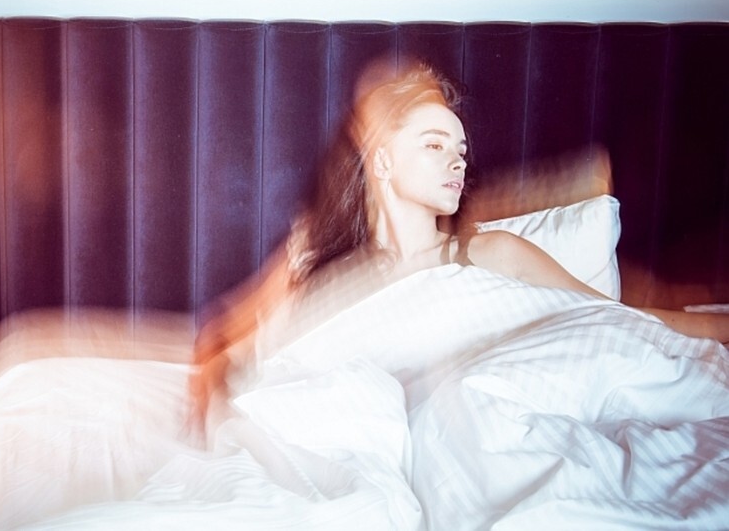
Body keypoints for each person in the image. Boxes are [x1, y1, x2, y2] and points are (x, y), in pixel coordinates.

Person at [190, 61, 729, 426]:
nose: (457, 161)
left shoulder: (487, 254)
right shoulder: (331, 274)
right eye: (434, 145)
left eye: (461, 150)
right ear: (382, 161)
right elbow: (242, 346)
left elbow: (615, 320)